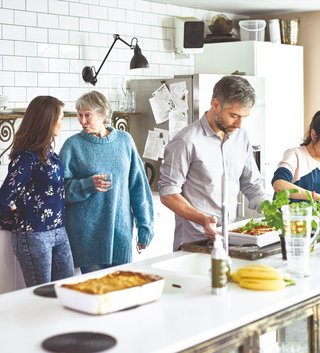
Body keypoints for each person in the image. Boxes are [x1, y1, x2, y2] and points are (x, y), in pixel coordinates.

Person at [158, 75, 268, 251]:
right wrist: (202, 219)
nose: (239, 124)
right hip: (193, 242)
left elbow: (251, 185)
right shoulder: (186, 141)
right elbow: (168, 193)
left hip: (230, 239)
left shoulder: (241, 136)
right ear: (216, 105)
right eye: (234, 115)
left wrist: (272, 210)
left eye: (244, 117)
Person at [59, 90, 154, 274]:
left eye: (88, 115)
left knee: (122, 292)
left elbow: (139, 187)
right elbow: (59, 191)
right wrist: (87, 185)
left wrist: (145, 226)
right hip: (87, 237)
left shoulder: (125, 141)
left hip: (121, 234)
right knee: (95, 294)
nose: (82, 121)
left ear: (103, 114)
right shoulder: (72, 145)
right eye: (80, 115)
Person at [0, 96, 75, 287]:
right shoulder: (26, 157)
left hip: (59, 230)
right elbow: (4, 196)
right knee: (41, 294)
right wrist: (17, 218)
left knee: (66, 290)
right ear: (47, 121)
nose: (61, 121)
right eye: (59, 117)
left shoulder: (50, 154)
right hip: (33, 234)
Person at [272, 111, 320, 202]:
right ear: (314, 135)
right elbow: (278, 184)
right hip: (288, 215)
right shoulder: (295, 155)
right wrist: (315, 197)